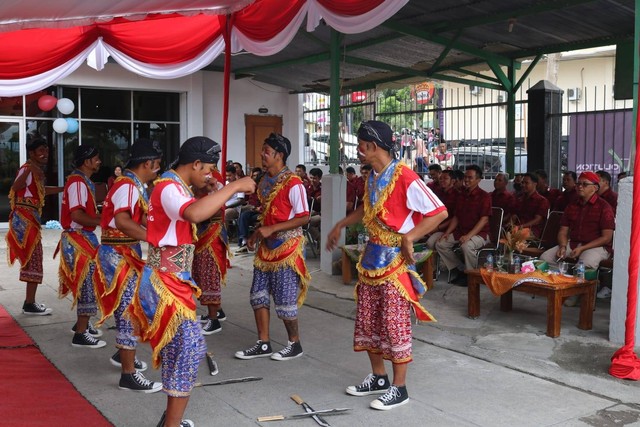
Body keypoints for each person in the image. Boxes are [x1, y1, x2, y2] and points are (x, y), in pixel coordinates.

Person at [129, 136, 256, 427]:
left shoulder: (175, 186)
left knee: (185, 352)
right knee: (186, 352)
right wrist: (234, 186)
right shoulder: (168, 186)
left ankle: (171, 420)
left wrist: (210, 191)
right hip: (166, 283)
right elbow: (193, 214)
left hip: (173, 281)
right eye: (208, 169)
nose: (210, 175)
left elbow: (188, 212)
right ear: (195, 163)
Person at [326, 120, 447, 410]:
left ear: (373, 146)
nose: (358, 151)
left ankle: (400, 387)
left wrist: (410, 237)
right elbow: (367, 209)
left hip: (393, 263)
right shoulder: (373, 176)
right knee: (369, 321)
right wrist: (342, 223)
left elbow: (438, 212)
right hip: (370, 261)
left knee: (394, 325)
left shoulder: (404, 176)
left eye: (360, 146)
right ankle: (379, 377)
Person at [94, 138, 163, 392]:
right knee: (129, 311)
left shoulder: (134, 185)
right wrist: (155, 238)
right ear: (148, 163)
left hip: (125, 253)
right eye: (156, 164)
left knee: (131, 308)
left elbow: (139, 217)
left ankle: (122, 355)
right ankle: (128, 374)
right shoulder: (128, 186)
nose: (158, 169)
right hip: (118, 255)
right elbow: (122, 221)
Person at [235, 133, 310, 362]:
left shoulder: (293, 182)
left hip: (287, 247)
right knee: (257, 295)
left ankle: (294, 344)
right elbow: (263, 212)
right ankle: (263, 342)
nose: (262, 155)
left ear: (279, 155)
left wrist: (272, 228)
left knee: (285, 300)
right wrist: (257, 232)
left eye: (266, 151)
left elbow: (304, 217)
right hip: (266, 248)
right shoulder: (264, 181)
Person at [6, 137, 62, 315]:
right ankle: (29, 304)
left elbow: (42, 190)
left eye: (46, 150)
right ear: (32, 153)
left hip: (30, 220)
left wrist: (63, 188)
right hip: (25, 220)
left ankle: (30, 302)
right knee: (35, 260)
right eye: (41, 151)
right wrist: (29, 168)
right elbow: (15, 187)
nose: (45, 154)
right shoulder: (28, 168)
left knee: (34, 260)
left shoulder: (34, 169)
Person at [540, 171, 615, 302]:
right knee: (545, 258)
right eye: (578, 184)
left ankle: (576, 294)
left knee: (584, 264)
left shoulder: (604, 207)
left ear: (595, 187)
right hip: (573, 243)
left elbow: (607, 238)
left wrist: (582, 248)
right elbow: (563, 231)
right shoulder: (572, 205)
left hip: (597, 246)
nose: (580, 186)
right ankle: (562, 286)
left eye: (584, 184)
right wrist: (563, 246)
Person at [58, 144, 106, 348]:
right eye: (96, 158)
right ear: (86, 162)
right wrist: (103, 221)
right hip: (79, 239)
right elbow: (77, 215)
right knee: (87, 283)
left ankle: (83, 325)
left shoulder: (83, 181)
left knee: (88, 284)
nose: (99, 161)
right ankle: (80, 333)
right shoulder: (77, 182)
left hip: (82, 238)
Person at [435, 164, 491, 286]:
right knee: (441, 244)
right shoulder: (461, 195)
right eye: (465, 177)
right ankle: (461, 270)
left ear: (478, 179)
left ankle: (472, 276)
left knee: (466, 246)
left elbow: (484, 220)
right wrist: (447, 233)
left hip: (480, 234)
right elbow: (456, 217)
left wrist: (469, 236)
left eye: (470, 177)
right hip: (460, 231)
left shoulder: (484, 196)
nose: (466, 180)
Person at [193, 165, 229, 335]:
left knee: (210, 273)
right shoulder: (202, 175)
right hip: (202, 230)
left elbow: (216, 201)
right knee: (202, 272)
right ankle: (216, 311)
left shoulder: (214, 177)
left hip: (212, 231)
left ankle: (214, 319)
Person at [512, 173, 549, 238]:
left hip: (532, 230)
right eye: (522, 183)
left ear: (535, 184)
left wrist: (521, 226)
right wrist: (511, 224)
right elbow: (514, 215)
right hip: (517, 228)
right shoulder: (520, 199)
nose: (523, 185)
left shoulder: (542, 201)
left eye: (526, 183)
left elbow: (537, 220)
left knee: (516, 236)